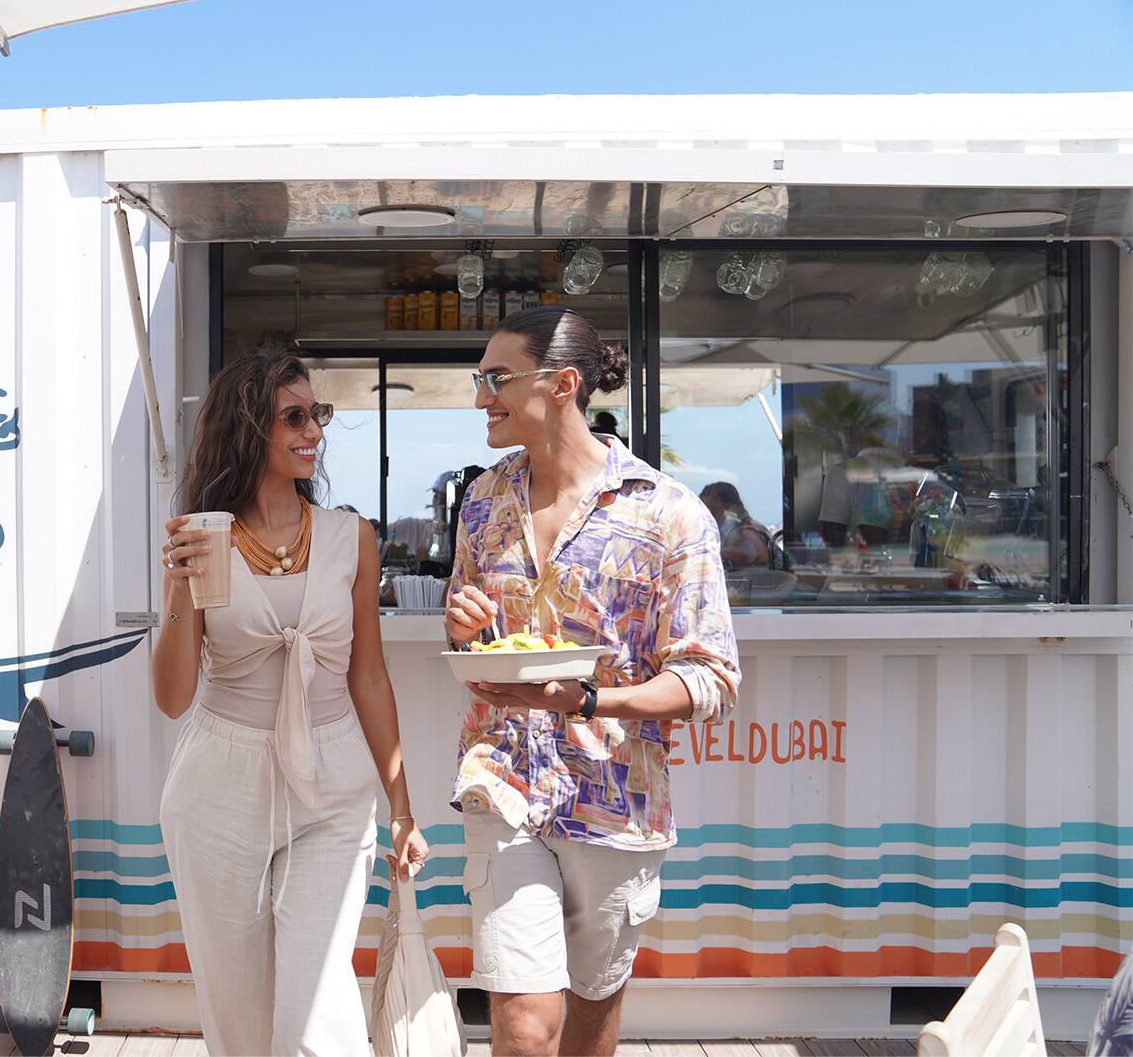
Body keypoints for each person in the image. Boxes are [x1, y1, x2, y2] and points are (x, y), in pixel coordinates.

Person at [444, 307, 742, 1057]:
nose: (480, 397)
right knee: (522, 1025)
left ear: (563, 383)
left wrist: (590, 700)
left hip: (616, 795)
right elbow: (473, 639)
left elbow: (710, 677)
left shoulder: (670, 514)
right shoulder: (481, 502)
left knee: (590, 1013)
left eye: (496, 379)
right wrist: (463, 626)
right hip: (504, 779)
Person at [152, 349, 429, 1056]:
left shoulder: (350, 538)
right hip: (219, 782)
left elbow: (370, 677)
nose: (315, 431)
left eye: (318, 414)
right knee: (240, 1022)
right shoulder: (204, 537)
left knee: (315, 1016)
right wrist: (178, 592)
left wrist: (402, 808)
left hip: (333, 785)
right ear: (249, 429)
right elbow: (173, 697)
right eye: (294, 417)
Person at [700, 481, 778, 571]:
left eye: (712, 509)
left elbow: (746, 553)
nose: (707, 515)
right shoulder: (720, 529)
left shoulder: (744, 528)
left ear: (726, 508)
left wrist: (708, 551)